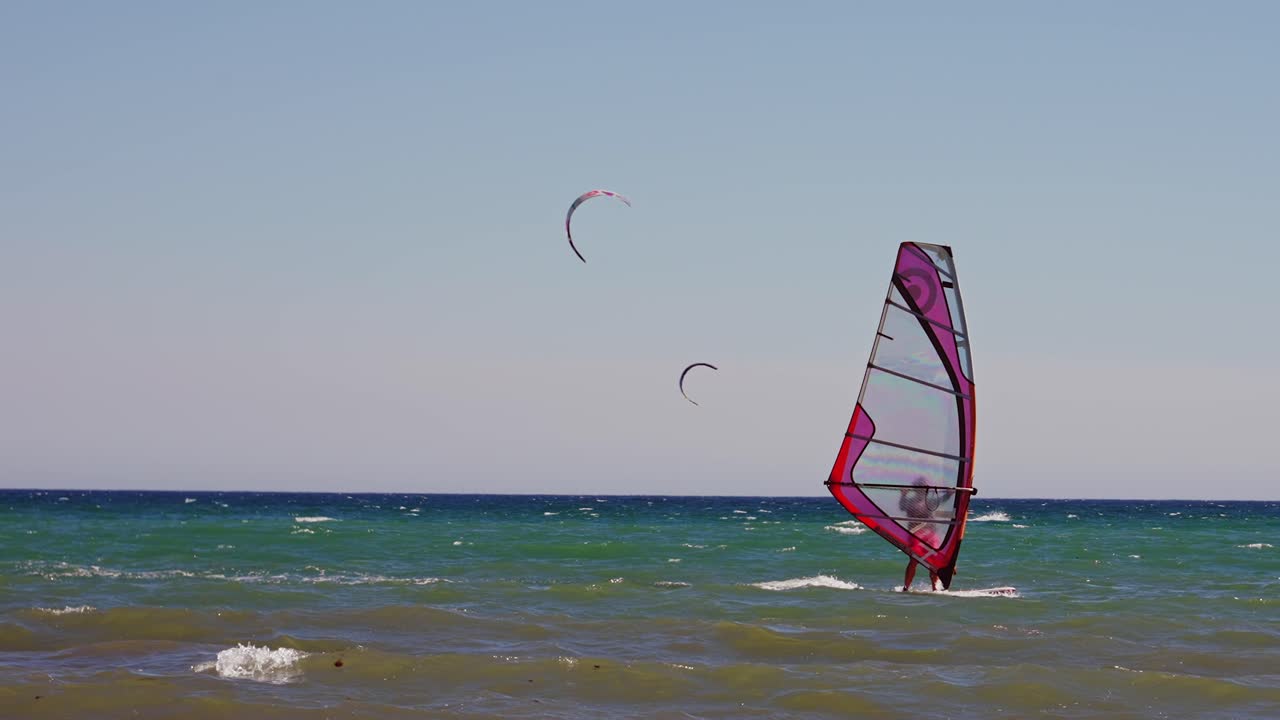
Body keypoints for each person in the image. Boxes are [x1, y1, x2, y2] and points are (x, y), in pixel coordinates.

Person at [899, 476, 953, 592]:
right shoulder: (910, 501)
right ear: (916, 489)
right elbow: (902, 507)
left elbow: (944, 498)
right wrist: (903, 495)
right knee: (914, 560)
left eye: (925, 489)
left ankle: (935, 588)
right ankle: (906, 587)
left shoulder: (930, 501)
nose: (923, 491)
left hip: (931, 533)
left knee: (934, 560)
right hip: (915, 533)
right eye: (920, 488)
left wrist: (949, 493)